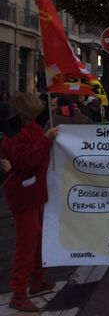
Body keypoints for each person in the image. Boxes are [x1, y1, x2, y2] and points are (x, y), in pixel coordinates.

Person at [1, 93, 59, 312]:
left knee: (36, 240)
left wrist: (47, 140)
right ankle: (18, 291)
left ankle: (37, 280)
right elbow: (25, 160)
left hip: (33, 192)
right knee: (27, 245)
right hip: (24, 195)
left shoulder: (31, 127)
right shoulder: (16, 133)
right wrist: (46, 140)